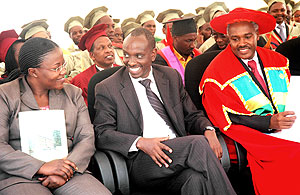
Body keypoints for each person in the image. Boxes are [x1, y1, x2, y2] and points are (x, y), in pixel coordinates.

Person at [93, 27, 235, 195]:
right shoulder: (108, 88)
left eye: (139, 56)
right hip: (142, 160)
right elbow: (102, 133)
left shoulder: (170, 76)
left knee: (195, 180)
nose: (131, 62)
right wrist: (140, 142)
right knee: (197, 144)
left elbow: (192, 115)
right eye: (126, 55)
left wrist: (208, 129)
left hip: (179, 154)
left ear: (153, 54)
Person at [200, 8, 300, 195]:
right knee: (294, 153)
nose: (242, 43)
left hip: (289, 127)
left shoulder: (277, 60)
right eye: (235, 39)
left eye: (247, 37)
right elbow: (227, 116)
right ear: (228, 38)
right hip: (251, 134)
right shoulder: (215, 74)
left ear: (257, 35)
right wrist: (269, 123)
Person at [0, 37, 111, 195]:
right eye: (56, 68)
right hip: (20, 175)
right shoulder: (5, 95)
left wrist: (66, 169)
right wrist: (41, 167)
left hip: (70, 171)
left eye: (63, 65)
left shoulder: (73, 93)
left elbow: (86, 138)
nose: (63, 72)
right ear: (33, 72)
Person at [71, 24, 117, 105]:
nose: (108, 50)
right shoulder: (81, 81)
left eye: (110, 46)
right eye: (102, 48)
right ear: (92, 56)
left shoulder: (124, 72)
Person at [154, 17, 201, 84]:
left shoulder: (198, 55)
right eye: (188, 41)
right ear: (175, 38)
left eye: (194, 40)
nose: (193, 45)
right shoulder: (160, 59)